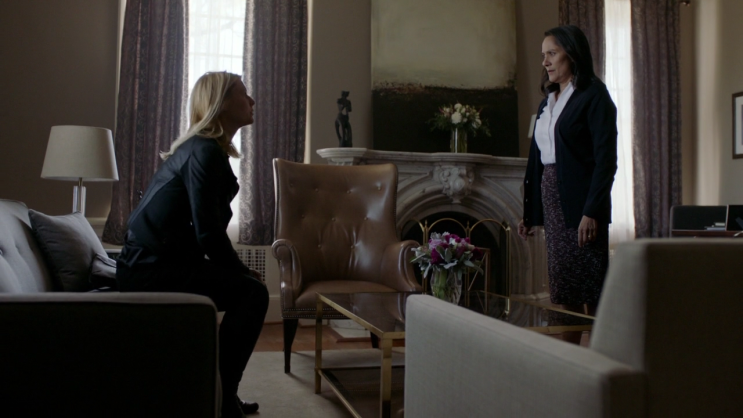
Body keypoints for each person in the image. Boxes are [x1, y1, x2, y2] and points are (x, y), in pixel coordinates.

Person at [116, 71, 269, 417]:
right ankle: (222, 398)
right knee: (253, 294)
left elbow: (202, 232)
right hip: (149, 271)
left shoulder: (204, 149)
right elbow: (208, 233)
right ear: (221, 103)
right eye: (244, 94)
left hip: (156, 264)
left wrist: (237, 271)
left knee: (247, 290)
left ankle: (220, 392)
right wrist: (244, 271)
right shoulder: (204, 151)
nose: (252, 100)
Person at [518, 25, 617, 344]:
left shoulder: (594, 95)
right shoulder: (546, 102)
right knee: (563, 286)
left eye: (552, 53)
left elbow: (606, 161)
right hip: (552, 199)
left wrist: (592, 211)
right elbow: (538, 160)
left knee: (590, 286)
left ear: (572, 55)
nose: (545, 61)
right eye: (543, 55)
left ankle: (601, 357)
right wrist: (529, 212)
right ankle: (570, 357)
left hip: (581, 204)